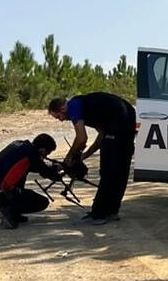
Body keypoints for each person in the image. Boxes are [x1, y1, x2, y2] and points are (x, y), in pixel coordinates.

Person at [48, 92, 137, 225]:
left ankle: (98, 214)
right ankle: (112, 211)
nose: (61, 120)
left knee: (107, 171)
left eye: (58, 117)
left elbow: (82, 138)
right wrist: (83, 156)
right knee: (120, 170)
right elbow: (101, 137)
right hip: (128, 115)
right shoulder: (93, 108)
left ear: (62, 108)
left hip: (118, 118)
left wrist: (69, 157)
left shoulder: (73, 106)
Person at [0, 133, 63, 228]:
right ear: (43, 150)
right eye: (46, 154)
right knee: (42, 202)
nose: (45, 156)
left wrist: (52, 166)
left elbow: (34, 166)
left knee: (22, 177)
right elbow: (45, 172)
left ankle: (13, 213)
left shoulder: (21, 146)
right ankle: (8, 210)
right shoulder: (32, 154)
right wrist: (60, 172)